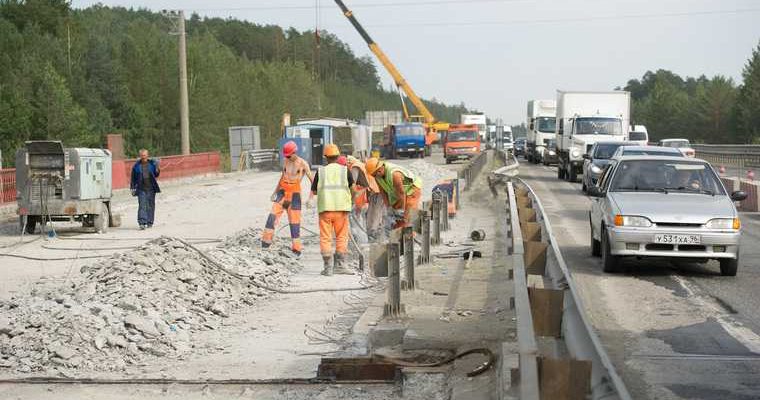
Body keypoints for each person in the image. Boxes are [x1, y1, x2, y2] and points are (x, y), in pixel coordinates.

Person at [261, 140, 313, 256]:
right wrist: (274, 192)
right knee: (272, 217)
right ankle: (265, 244)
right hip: (282, 193)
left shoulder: (303, 164)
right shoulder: (285, 161)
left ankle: (296, 250)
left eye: (289, 155)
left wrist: (310, 198)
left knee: (294, 223)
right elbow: (282, 177)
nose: (288, 157)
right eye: (286, 155)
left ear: (295, 152)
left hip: (294, 196)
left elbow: (313, 182)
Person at [311, 144, 355, 276]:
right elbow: (353, 190)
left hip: (325, 209)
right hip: (342, 209)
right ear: (338, 156)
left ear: (326, 157)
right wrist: (349, 201)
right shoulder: (345, 170)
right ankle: (340, 265)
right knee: (342, 236)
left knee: (325, 237)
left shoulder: (321, 171)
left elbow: (314, 191)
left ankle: (328, 267)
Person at [365, 157, 422, 229]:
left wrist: (401, 210)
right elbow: (383, 192)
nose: (376, 176)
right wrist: (389, 207)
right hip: (397, 193)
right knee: (396, 214)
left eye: (377, 173)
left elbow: (401, 193)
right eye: (374, 175)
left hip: (412, 189)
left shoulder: (395, 175)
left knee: (407, 215)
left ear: (380, 168)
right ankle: (398, 234)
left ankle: (410, 235)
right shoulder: (377, 177)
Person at [346, 155, 382, 241]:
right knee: (369, 215)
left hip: (374, 190)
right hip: (372, 189)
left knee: (373, 214)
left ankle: (371, 235)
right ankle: (370, 234)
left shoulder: (355, 167)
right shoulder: (359, 164)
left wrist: (350, 201)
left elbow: (352, 186)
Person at [130, 149, 161, 230]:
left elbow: (156, 174)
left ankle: (150, 222)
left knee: (150, 206)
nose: (143, 156)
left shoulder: (152, 164)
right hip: (141, 189)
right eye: (142, 155)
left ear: (147, 155)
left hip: (151, 188)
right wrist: (132, 188)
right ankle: (142, 223)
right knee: (142, 206)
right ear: (140, 156)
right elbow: (133, 178)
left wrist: (158, 167)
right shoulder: (136, 166)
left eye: (145, 155)